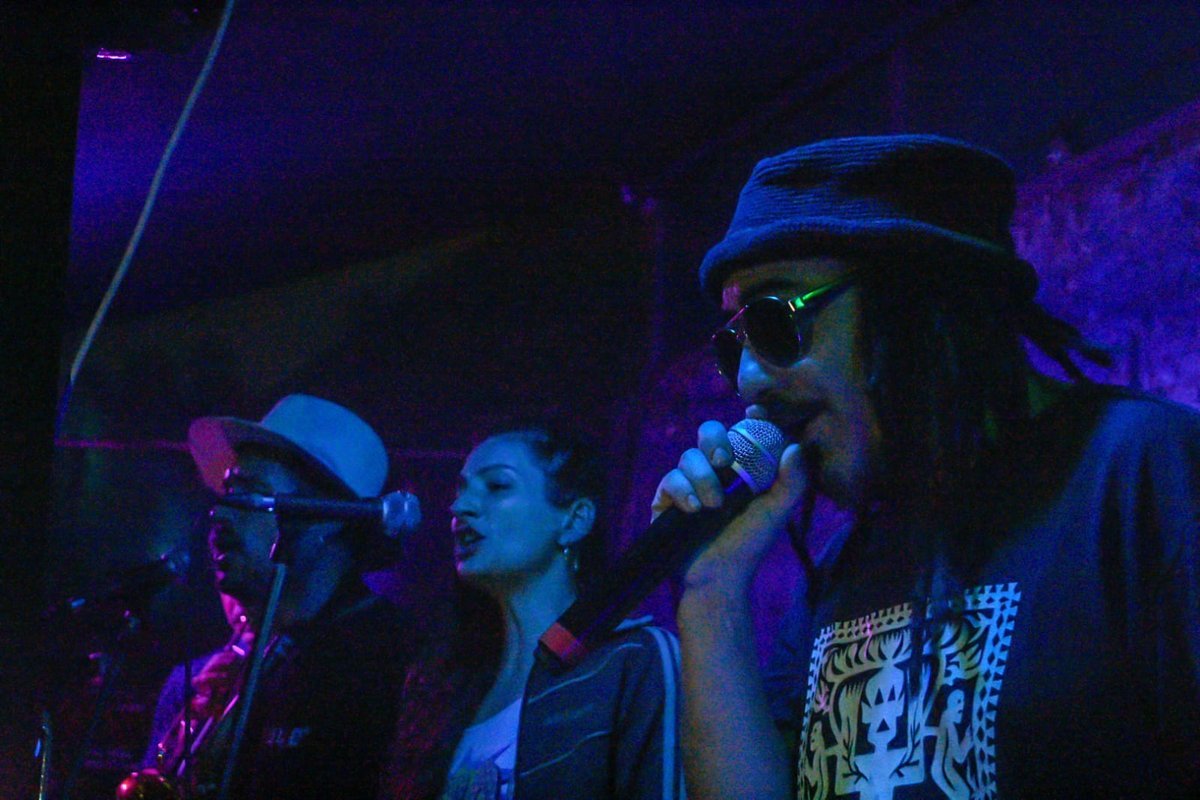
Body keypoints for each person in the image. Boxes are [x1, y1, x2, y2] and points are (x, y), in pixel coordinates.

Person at [652, 135, 1200, 799]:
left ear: (917, 300)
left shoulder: (1142, 471)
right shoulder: (844, 567)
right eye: (733, 343)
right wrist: (711, 594)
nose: (747, 380)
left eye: (774, 320)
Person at [122, 394, 421, 799]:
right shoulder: (244, 664)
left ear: (324, 520)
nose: (220, 514)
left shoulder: (393, 662)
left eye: (250, 496)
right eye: (227, 493)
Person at [380, 424, 685, 800]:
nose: (460, 508)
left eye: (497, 486)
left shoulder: (632, 660)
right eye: (461, 491)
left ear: (574, 520)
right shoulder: (445, 684)